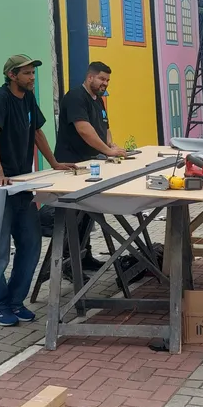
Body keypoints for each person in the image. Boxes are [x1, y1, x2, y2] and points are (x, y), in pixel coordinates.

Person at [0, 54, 74, 327]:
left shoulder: (29, 98)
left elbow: (38, 133)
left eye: (33, 73)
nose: (32, 77)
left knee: (31, 245)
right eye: (27, 73)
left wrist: (54, 162)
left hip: (23, 185)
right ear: (12, 75)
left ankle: (15, 301)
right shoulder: (0, 99)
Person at [54, 61, 126, 272]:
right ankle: (68, 265)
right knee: (74, 216)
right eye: (102, 79)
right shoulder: (76, 97)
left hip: (91, 164)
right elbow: (84, 130)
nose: (105, 83)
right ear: (90, 77)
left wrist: (110, 144)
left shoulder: (99, 101)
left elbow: (105, 127)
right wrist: (107, 151)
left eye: (108, 80)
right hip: (73, 165)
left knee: (88, 215)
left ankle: (84, 256)